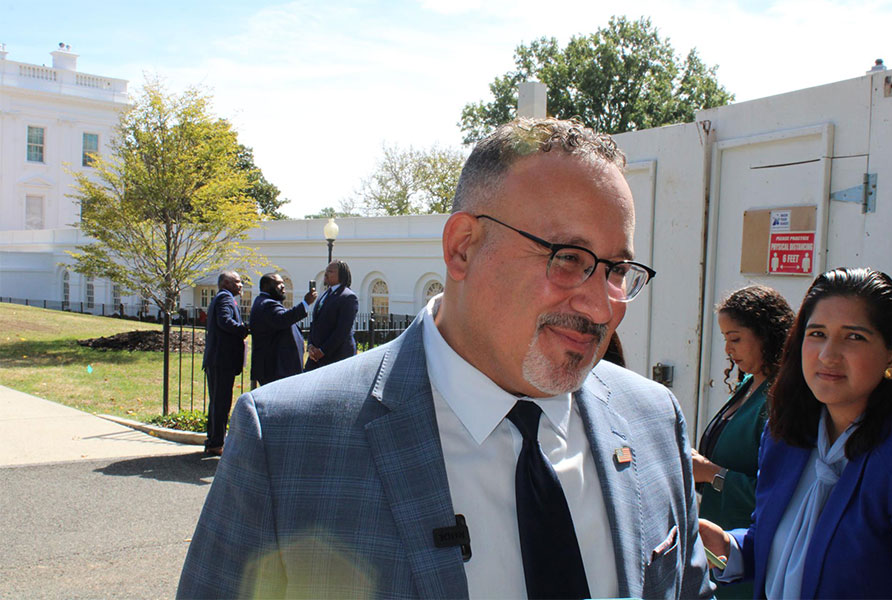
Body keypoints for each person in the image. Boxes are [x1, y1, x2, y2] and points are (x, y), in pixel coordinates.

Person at [178, 118, 714, 599]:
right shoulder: (287, 444)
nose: (601, 306)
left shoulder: (653, 420)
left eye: (617, 270)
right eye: (568, 258)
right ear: (463, 247)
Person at [700, 267, 892, 599]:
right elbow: (779, 546)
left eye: (854, 337)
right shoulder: (785, 437)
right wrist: (727, 545)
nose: (828, 355)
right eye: (817, 333)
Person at [691, 285, 794, 598]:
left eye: (735, 339)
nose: (727, 349)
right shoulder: (749, 384)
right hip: (720, 555)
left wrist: (710, 473)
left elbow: (777, 495)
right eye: (725, 338)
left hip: (749, 560)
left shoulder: (780, 398)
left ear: (765, 334)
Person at [201, 271, 248, 456]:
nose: (241, 285)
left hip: (217, 359)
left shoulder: (222, 298)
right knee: (221, 403)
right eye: (237, 281)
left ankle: (213, 440)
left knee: (217, 402)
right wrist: (244, 329)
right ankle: (216, 443)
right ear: (226, 283)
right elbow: (225, 321)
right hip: (221, 360)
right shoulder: (225, 298)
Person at [249, 273, 317, 387]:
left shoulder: (268, 302)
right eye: (278, 284)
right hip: (275, 369)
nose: (283, 286)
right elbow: (283, 319)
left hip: (278, 368)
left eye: (283, 283)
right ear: (266, 286)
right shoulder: (267, 304)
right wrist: (305, 303)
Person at [305, 260, 359, 370]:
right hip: (315, 358)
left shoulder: (348, 297)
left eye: (330, 271)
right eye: (326, 270)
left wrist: (323, 351)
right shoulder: (324, 294)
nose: (326, 274)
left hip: (336, 357)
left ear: (341, 275)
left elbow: (342, 330)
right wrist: (310, 346)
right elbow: (315, 323)